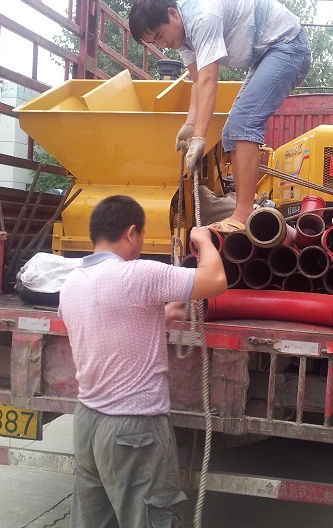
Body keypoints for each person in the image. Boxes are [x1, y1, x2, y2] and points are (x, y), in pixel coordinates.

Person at [58, 195, 226, 527]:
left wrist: (163, 314)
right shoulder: (138, 275)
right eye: (142, 235)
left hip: (88, 423)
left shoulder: (72, 284)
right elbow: (216, 281)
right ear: (131, 232)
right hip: (134, 429)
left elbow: (106, 326)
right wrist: (203, 239)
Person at [129, 0, 312, 232]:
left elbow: (208, 81)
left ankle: (243, 214)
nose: (164, 44)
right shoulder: (182, 38)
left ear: (172, 13)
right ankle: (245, 207)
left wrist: (200, 137)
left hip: (288, 46)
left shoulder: (202, 18)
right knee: (231, 132)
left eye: (161, 35)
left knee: (244, 123)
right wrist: (190, 125)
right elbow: (196, 82)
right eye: (156, 42)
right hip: (266, 54)